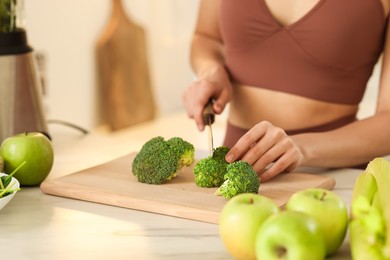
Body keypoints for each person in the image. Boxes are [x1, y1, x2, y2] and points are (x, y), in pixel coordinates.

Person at [182, 0, 390, 182]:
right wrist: (211, 71)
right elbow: (206, 36)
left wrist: (302, 147)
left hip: (335, 175)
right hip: (235, 166)